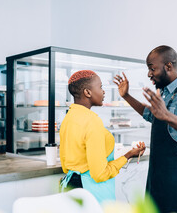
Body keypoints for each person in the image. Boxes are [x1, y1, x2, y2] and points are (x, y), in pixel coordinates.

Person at [113, 45, 177, 213]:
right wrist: (126, 96)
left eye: (152, 68)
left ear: (168, 66)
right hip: (157, 176)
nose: (149, 74)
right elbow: (151, 115)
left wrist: (168, 116)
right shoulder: (163, 92)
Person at [59, 70, 146, 204]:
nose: (103, 91)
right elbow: (99, 174)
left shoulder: (68, 117)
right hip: (91, 192)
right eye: (100, 87)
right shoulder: (92, 121)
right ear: (87, 92)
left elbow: (66, 165)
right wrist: (127, 156)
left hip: (70, 186)